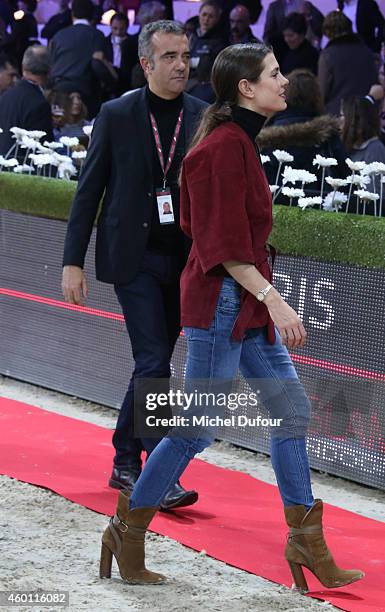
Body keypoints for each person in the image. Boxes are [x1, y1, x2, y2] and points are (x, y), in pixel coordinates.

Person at [99, 43, 365, 590]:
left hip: (241, 303)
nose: (285, 82)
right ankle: (126, 531)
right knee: (195, 431)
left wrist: (263, 299)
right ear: (246, 87)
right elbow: (221, 246)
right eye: (273, 74)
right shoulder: (221, 149)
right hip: (225, 303)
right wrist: (274, 297)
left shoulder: (237, 142)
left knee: (290, 414)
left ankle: (305, 541)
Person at [61, 20, 207, 511]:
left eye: (185, 55)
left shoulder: (202, 115)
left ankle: (124, 459)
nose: (181, 65)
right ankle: (155, 473)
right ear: (146, 63)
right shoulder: (117, 113)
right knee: (152, 363)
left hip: (182, 260)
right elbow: (89, 191)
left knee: (155, 364)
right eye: (169, 56)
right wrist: (71, 262)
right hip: (133, 258)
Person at [258, 68, 347, 192]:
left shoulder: (265, 138)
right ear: (317, 97)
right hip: (322, 207)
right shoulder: (327, 135)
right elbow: (346, 179)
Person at [49, 0, 117, 118]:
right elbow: (101, 67)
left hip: (59, 92)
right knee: (86, 133)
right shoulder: (97, 36)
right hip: (86, 96)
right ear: (92, 15)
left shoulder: (58, 36)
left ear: (72, 14)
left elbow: (49, 66)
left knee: (59, 131)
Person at [318, 10, 378, 116]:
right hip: (367, 112)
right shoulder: (367, 52)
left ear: (327, 32)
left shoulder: (327, 55)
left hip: (338, 116)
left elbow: (322, 92)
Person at [0, 45, 53, 156]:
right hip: (24, 169)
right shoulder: (39, 104)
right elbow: (43, 150)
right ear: (49, 71)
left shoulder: (5, 96)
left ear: (23, 67)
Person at [341, 95, 385, 208]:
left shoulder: (375, 149)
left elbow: (373, 195)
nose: (339, 120)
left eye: (342, 115)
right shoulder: (345, 146)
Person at [189, 0, 226, 80]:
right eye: (204, 15)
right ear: (199, 15)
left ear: (217, 19)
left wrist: (193, 62)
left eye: (211, 16)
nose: (206, 19)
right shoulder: (190, 36)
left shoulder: (220, 42)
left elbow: (212, 66)